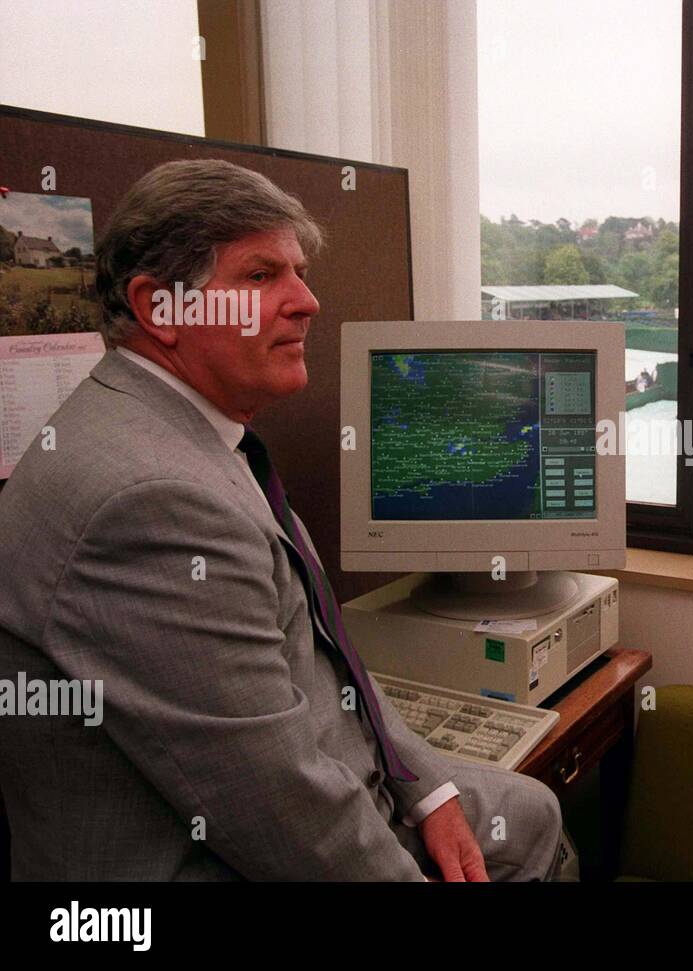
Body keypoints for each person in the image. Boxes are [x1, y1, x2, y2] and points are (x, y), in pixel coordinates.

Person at [0, 160, 562, 881]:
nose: (308, 301)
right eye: (261, 277)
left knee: (531, 809)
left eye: (297, 272)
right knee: (532, 821)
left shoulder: (186, 433)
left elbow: (331, 659)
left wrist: (430, 784)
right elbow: (283, 814)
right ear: (159, 307)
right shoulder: (147, 503)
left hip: (325, 784)